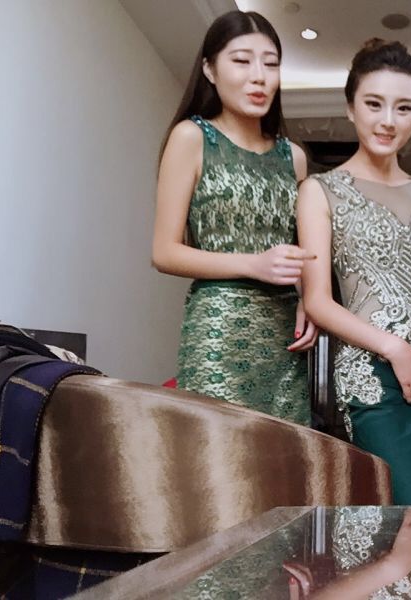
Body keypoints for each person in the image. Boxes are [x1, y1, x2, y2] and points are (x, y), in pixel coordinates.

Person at [297, 39, 411, 504]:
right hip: (376, 383)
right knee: (410, 520)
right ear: (350, 108)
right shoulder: (319, 191)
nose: (388, 121)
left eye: (404, 107)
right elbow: (317, 300)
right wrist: (394, 348)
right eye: (374, 104)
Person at [152, 11, 316, 423]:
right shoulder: (192, 137)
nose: (259, 76)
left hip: (285, 342)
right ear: (210, 69)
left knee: (282, 457)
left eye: (271, 64)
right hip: (218, 333)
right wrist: (253, 265)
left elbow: (304, 252)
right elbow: (164, 252)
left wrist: (309, 301)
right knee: (217, 454)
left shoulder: (293, 157)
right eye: (242, 61)